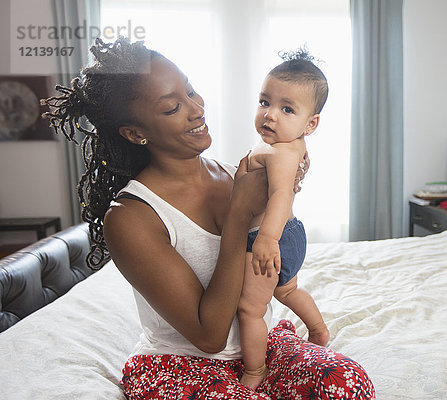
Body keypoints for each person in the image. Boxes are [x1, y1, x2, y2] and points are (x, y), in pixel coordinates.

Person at [42, 37, 375, 399]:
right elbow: (210, 335)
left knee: (346, 382)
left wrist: (291, 174)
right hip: (180, 364)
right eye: (172, 107)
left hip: (257, 348)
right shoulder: (132, 217)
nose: (196, 109)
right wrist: (237, 215)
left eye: (191, 91)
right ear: (136, 134)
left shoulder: (237, 172)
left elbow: (277, 231)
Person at [238, 49, 330, 389]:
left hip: (270, 236)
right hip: (290, 234)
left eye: (286, 108)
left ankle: (254, 371)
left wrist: (265, 239)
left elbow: (281, 195)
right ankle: (318, 329)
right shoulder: (294, 146)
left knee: (250, 309)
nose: (270, 115)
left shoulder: (280, 153)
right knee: (288, 290)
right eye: (265, 102)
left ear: (311, 123)